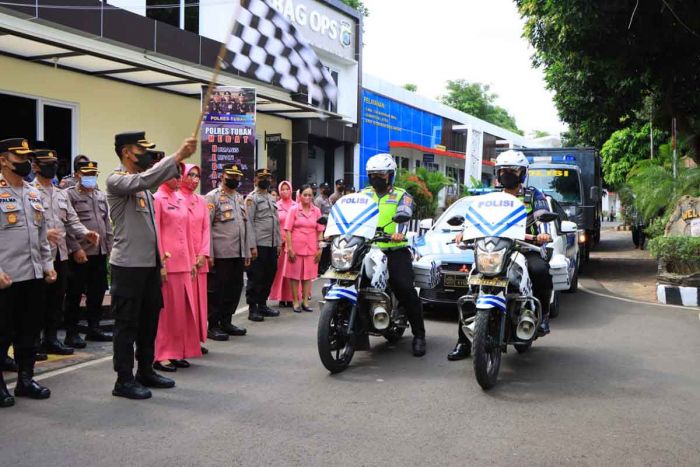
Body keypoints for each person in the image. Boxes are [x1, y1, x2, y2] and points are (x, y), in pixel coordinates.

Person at [107, 131, 197, 400]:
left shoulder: (143, 187)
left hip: (148, 266)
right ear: (126, 152)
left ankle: (145, 370)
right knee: (126, 324)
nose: (145, 154)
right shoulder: (117, 180)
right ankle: (123, 379)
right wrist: (179, 155)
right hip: (128, 266)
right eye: (140, 149)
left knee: (149, 321)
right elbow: (145, 178)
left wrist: (159, 262)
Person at [447, 150, 553, 361]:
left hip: (524, 248)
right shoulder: (490, 199)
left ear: (522, 173)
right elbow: (474, 219)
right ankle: (464, 342)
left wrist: (543, 234)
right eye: (503, 171)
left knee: (540, 271)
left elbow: (544, 219)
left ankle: (542, 317)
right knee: (472, 288)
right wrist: (463, 232)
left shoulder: (534, 195)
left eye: (512, 171)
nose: (507, 174)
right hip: (494, 249)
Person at [0, 138, 57, 407]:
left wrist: (47, 265)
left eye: (26, 158)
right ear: (3, 160)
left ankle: (25, 380)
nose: (25, 163)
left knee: (29, 332)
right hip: (6, 279)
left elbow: (42, 235)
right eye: (18, 158)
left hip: (33, 276)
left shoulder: (33, 193)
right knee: (2, 333)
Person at [31, 150, 100, 356]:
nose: (52, 167)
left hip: (60, 255)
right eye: (47, 163)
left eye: (54, 163)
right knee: (36, 302)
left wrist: (86, 232)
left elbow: (71, 220)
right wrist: (42, 235)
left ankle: (51, 339)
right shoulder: (30, 192)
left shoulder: (60, 193)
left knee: (56, 300)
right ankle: (33, 342)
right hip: (38, 256)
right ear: (35, 166)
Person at [362, 154, 426, 357]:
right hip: (366, 248)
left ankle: (419, 335)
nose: (377, 178)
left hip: (394, 248)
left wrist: (400, 233)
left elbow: (405, 214)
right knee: (351, 281)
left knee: (404, 288)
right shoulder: (363, 195)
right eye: (373, 174)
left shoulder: (401, 195)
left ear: (391, 175)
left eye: (381, 174)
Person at [153, 173, 201, 372]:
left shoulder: (180, 199)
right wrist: (160, 264)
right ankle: (162, 354)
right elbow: (155, 232)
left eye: (178, 175)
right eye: (173, 175)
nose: (178, 179)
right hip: (168, 263)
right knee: (166, 314)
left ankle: (179, 351)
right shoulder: (158, 199)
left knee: (182, 312)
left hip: (183, 262)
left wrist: (191, 260)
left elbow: (188, 232)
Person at [64, 161, 114, 347]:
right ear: (77, 174)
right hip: (81, 252)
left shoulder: (100, 195)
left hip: (99, 252)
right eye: (86, 173)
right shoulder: (70, 195)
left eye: (94, 174)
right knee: (75, 294)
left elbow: (107, 225)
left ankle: (94, 328)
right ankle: (72, 332)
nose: (90, 177)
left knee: (97, 291)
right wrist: (75, 248)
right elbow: (67, 225)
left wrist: (109, 249)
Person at [205, 164, 254, 340]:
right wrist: (208, 252)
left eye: (237, 176)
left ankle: (227, 321)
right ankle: (213, 325)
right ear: (223, 176)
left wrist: (247, 251)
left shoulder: (240, 198)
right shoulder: (212, 197)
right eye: (231, 175)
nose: (234, 179)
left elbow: (246, 225)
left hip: (238, 252)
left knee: (234, 289)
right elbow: (206, 227)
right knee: (218, 290)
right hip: (220, 253)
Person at [180, 164, 211, 354]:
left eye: (197, 175)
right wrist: (190, 256)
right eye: (190, 175)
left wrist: (203, 253)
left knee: (199, 303)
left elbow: (206, 229)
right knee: (184, 304)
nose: (194, 179)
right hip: (184, 260)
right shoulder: (176, 199)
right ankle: (182, 342)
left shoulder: (201, 201)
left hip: (200, 259)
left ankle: (195, 340)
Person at [245, 168, 281, 322]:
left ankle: (263, 304)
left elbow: (276, 221)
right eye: (262, 178)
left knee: (269, 274)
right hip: (259, 244)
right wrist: (251, 246)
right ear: (255, 180)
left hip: (272, 244)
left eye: (268, 178)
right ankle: (253, 309)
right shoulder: (251, 198)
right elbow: (249, 223)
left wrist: (278, 243)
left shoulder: (271, 198)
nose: (265, 180)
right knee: (256, 276)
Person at [284, 184, 324, 313]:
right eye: (305, 195)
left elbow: (320, 230)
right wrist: (289, 248)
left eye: (310, 195)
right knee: (295, 276)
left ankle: (305, 302)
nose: (307, 197)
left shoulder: (316, 211)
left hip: (311, 248)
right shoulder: (294, 210)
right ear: (300, 196)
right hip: (295, 247)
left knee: (308, 276)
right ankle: (296, 301)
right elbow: (288, 230)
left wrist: (320, 248)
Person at [269, 181, 297, 308]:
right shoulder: (275, 205)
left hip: (292, 243)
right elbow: (273, 225)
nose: (285, 191)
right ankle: (280, 297)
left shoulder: (296, 206)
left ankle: (292, 297)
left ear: (291, 190)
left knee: (292, 271)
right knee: (280, 272)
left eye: (287, 189)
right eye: (283, 189)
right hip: (279, 243)